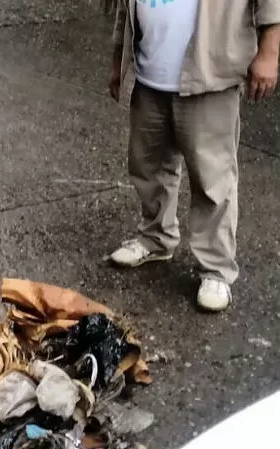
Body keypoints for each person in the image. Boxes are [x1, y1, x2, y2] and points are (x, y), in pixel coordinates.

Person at [108, 0, 279, 312]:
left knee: (212, 180)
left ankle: (216, 270)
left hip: (210, 77)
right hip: (150, 77)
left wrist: (269, 55)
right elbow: (125, 8)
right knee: (148, 167)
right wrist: (118, 60)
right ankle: (155, 238)